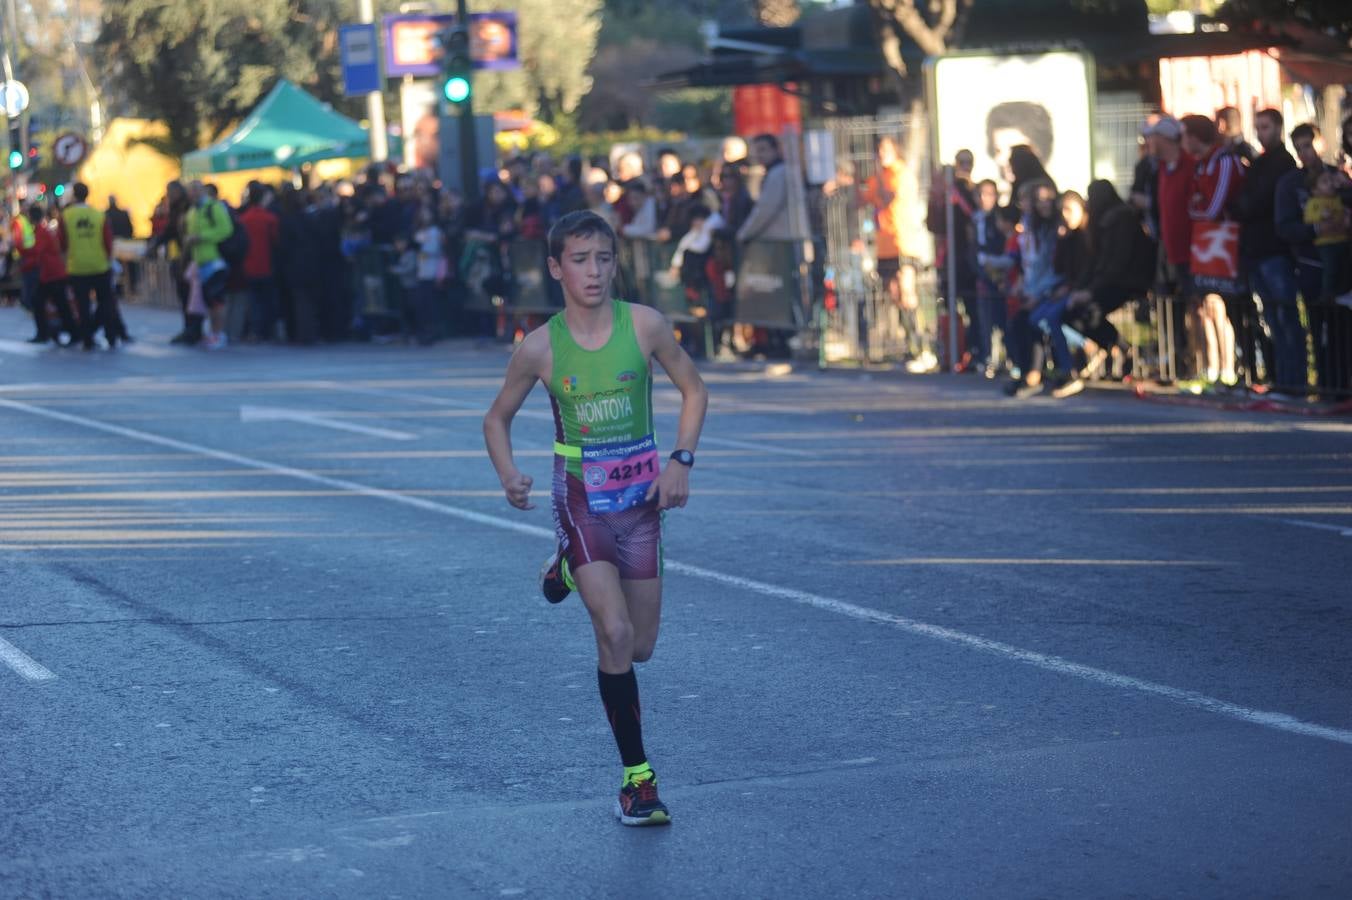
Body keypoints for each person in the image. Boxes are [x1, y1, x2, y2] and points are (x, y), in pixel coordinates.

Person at [482, 210, 709, 827]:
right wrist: (509, 476)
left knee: (640, 646)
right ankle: (638, 780)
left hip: (641, 507)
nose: (594, 272)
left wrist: (680, 461)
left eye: (604, 259)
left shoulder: (645, 326)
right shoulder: (539, 347)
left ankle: (565, 569)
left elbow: (694, 389)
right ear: (556, 268)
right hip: (580, 503)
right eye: (580, 260)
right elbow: (496, 418)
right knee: (611, 634)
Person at [1236, 108, 1304, 392]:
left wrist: (1244, 206)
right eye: (1258, 127)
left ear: (1277, 128)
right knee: (1274, 318)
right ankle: (1282, 378)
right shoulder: (1260, 162)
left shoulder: (1282, 162)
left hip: (1275, 250)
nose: (1261, 133)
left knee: (1286, 317)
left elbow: (1257, 202)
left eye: (1265, 127)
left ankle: (1295, 381)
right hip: (1257, 249)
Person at [1182, 113, 1245, 385]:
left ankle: (1228, 369)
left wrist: (1197, 209)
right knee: (1205, 306)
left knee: (1220, 307)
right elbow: (1194, 202)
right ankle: (1211, 368)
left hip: (1225, 242)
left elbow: (1211, 207)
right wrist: (1196, 208)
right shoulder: (1201, 165)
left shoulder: (1225, 161)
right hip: (1207, 243)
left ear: (1195, 137)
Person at [63, 182, 124, 350]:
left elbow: (62, 242)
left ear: (74, 195)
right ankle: (110, 335)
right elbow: (107, 241)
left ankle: (87, 339)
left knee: (83, 305)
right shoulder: (98, 215)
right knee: (105, 302)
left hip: (77, 266)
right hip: (100, 265)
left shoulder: (66, 215)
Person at [183, 180, 236, 349]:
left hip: (215, 261)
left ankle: (219, 334)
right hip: (200, 262)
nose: (193, 194)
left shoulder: (213, 207)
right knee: (208, 300)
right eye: (191, 191)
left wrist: (202, 237)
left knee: (216, 300)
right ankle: (213, 333)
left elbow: (226, 229)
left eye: (196, 191)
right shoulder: (192, 211)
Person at [30, 203, 80, 345]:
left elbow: (37, 251)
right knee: (60, 304)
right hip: (53, 273)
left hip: (51, 275)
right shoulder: (44, 230)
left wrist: (24, 253)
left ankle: (46, 333)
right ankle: (70, 332)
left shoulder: (41, 231)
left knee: (42, 302)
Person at [239, 182, 281, 342]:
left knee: (253, 301)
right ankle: (266, 330)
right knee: (266, 300)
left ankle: (255, 331)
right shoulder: (270, 219)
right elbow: (276, 242)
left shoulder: (244, 219)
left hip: (249, 265)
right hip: (266, 265)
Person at [1304, 170, 1349, 303]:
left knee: (1344, 266)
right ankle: (1327, 293)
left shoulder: (1338, 199)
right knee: (1331, 268)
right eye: (1324, 182)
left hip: (1342, 239)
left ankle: (1343, 291)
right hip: (1326, 243)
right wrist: (1321, 216)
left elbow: (1343, 215)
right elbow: (1309, 220)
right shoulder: (1314, 203)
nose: (1330, 184)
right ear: (1314, 190)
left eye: (1330, 180)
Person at [11, 203, 43, 342]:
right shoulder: (37, 228)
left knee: (32, 295)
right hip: (29, 259)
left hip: (29, 260)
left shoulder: (21, 222)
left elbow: (18, 241)